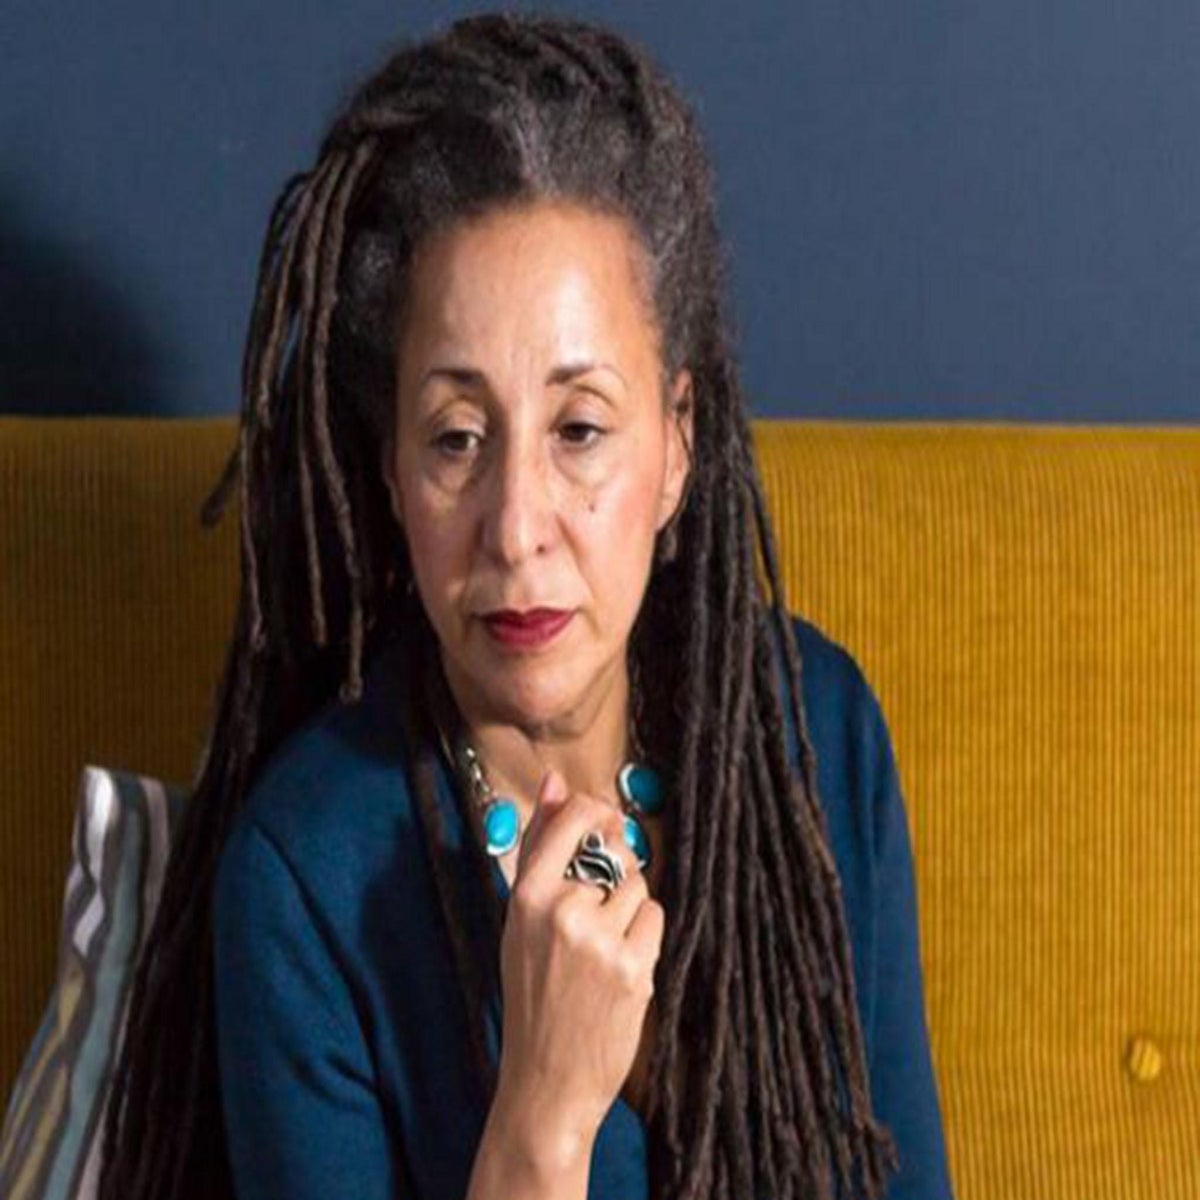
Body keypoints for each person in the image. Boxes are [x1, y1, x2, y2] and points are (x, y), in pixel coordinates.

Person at [97, 11, 954, 1200]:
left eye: (580, 429)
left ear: (677, 444)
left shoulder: (816, 733)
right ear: (390, 471)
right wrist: (542, 1114)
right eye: (457, 437)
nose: (515, 526)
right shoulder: (302, 877)